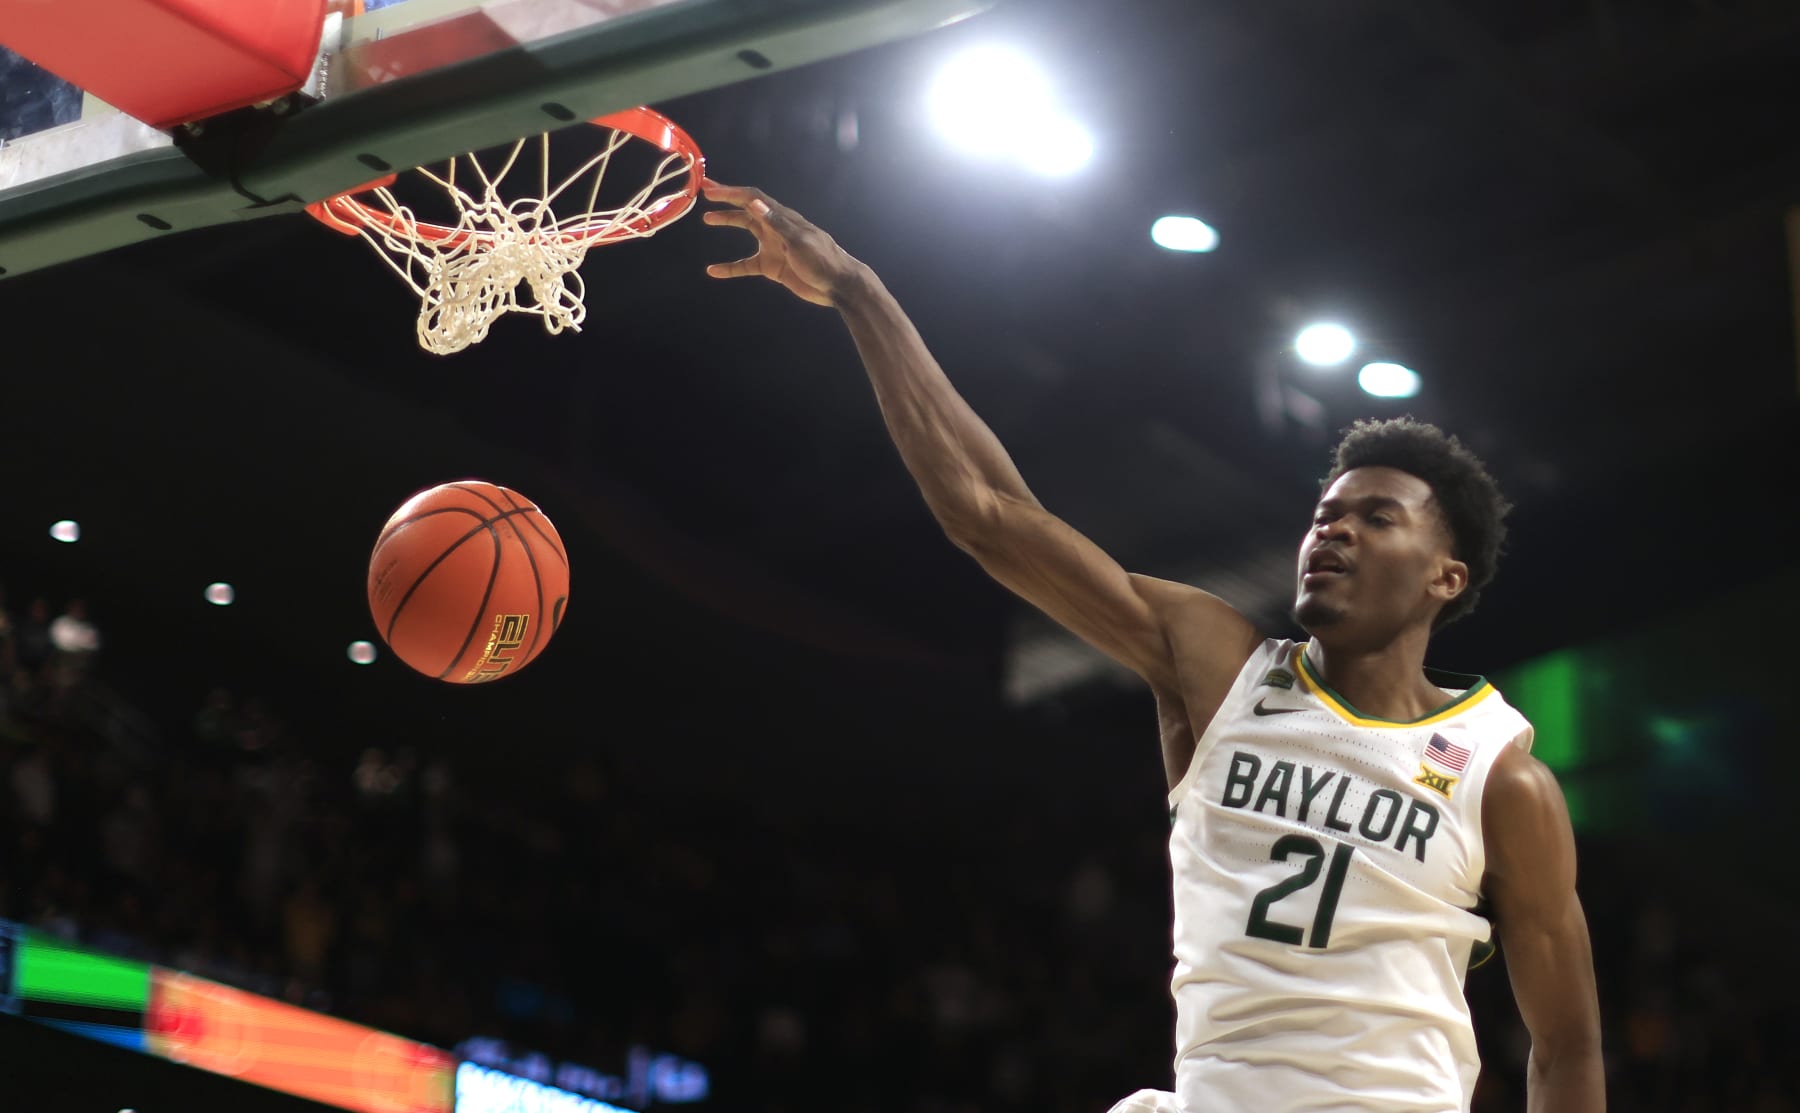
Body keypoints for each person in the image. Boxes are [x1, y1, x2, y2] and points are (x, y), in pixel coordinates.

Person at [698, 180, 1603, 1113]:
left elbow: (1567, 1049)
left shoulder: (1499, 776)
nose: (1333, 530)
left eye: (1377, 518)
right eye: (1325, 514)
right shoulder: (1221, 668)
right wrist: (860, 292)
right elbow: (989, 513)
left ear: (1446, 576)